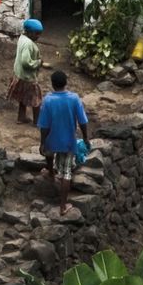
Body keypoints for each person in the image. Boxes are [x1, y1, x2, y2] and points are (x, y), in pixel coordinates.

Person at [37, 70, 91, 214]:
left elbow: (44, 126)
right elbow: (83, 121)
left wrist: (42, 142)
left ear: (52, 84)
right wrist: (85, 137)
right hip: (68, 141)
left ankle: (50, 172)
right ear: (66, 82)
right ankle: (63, 205)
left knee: (48, 153)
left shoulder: (48, 100)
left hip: (52, 139)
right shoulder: (74, 99)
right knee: (67, 172)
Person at [11, 18, 44, 123]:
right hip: (28, 77)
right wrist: (38, 63)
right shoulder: (28, 44)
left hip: (19, 75)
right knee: (36, 100)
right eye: (37, 34)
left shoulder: (22, 38)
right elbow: (26, 62)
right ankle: (37, 121)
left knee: (22, 96)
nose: (38, 36)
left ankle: (21, 118)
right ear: (29, 32)